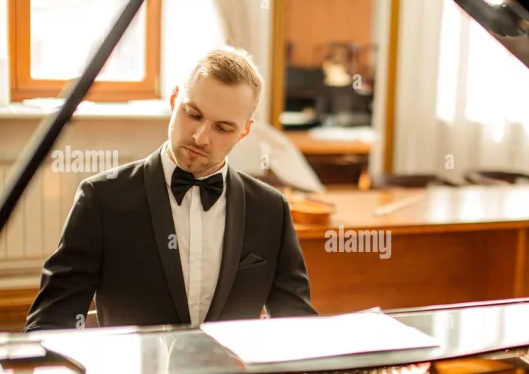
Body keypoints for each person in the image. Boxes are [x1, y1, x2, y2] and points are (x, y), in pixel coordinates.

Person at [23, 47, 317, 332]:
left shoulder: (270, 209)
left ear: (244, 133)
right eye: (194, 114)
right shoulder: (102, 198)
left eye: (223, 128)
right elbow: (49, 323)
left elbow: (296, 325)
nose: (201, 137)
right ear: (175, 100)